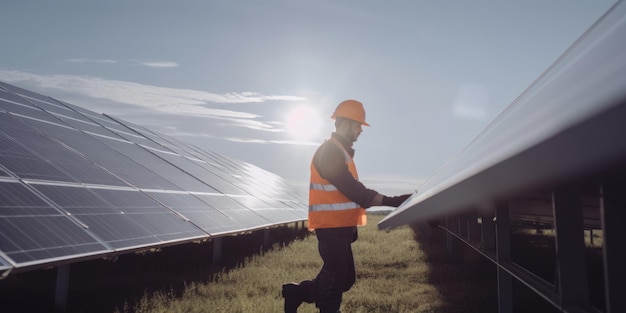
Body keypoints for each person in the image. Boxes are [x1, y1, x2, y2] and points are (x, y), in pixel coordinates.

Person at [281, 99, 411, 313]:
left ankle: (297, 293)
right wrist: (392, 201)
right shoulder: (329, 152)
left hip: (339, 227)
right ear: (344, 124)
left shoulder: (340, 151)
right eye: (358, 125)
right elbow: (353, 190)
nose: (361, 130)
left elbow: (347, 194)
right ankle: (325, 307)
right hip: (329, 228)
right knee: (335, 278)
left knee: (345, 279)